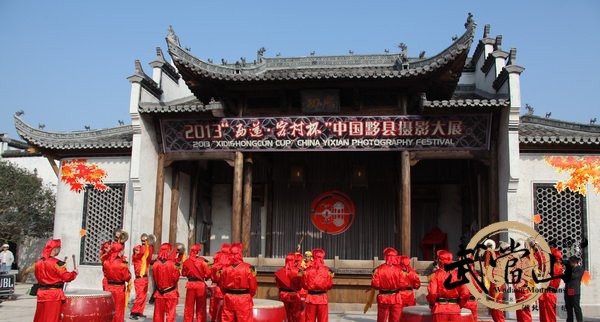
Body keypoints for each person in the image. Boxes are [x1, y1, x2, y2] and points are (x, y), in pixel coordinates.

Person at [33, 239, 78, 322]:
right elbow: (66, 277)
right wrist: (74, 273)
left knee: (40, 318)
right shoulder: (57, 263)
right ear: (55, 249)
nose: (59, 250)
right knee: (52, 318)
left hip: (41, 293)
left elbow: (37, 276)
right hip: (53, 295)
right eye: (59, 248)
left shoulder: (38, 262)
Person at [426, 250, 470, 322]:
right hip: (454, 308)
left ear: (440, 261)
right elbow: (465, 293)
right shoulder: (459, 275)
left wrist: (432, 304)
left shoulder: (435, 275)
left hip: (440, 308)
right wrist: (460, 305)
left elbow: (432, 293)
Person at [219, 243, 257, 322]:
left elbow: (221, 285)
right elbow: (253, 287)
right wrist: (249, 295)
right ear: (240, 253)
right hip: (244, 299)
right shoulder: (250, 268)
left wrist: (226, 294)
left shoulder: (224, 269)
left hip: (229, 298)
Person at [371, 247, 403, 322]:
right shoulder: (399, 270)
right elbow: (403, 284)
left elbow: (375, 285)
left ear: (385, 257)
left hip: (383, 297)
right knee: (395, 319)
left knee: (382, 319)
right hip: (396, 297)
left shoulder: (378, 269)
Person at [102, 242, 131, 322]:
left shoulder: (106, 262)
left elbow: (105, 274)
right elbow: (127, 277)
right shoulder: (122, 263)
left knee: (109, 310)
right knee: (118, 311)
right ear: (120, 251)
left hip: (108, 289)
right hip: (119, 290)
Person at [302, 248, 333, 322]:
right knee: (323, 320)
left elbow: (304, 285)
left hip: (310, 298)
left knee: (309, 319)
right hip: (322, 298)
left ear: (313, 257)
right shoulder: (328, 270)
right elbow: (330, 285)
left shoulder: (307, 270)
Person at [182, 244, 212, 322]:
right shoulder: (203, 261)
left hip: (190, 284)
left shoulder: (186, 262)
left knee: (189, 306)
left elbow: (183, 274)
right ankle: (201, 320)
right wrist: (205, 277)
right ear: (198, 251)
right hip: (200, 285)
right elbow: (208, 273)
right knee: (201, 306)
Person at [153, 243, 181, 322]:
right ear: (168, 251)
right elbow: (176, 279)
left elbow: (155, 278)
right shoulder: (173, 264)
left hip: (159, 293)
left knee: (158, 315)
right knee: (170, 314)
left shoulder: (155, 264)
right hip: (171, 293)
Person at [129, 234, 154, 320]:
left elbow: (149, 256)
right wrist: (147, 245)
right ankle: (133, 313)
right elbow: (141, 252)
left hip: (145, 277)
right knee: (139, 297)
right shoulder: (137, 255)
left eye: (145, 241)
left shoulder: (145, 256)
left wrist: (150, 246)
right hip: (139, 278)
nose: (143, 243)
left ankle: (139, 311)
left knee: (143, 297)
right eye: (142, 241)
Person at [275, 253, 304, 322]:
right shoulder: (298, 271)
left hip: (283, 294)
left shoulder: (279, 272)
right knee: (295, 315)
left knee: (284, 315)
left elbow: (278, 285)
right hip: (294, 294)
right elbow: (300, 285)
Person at [539, 248, 564, 322]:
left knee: (549, 316)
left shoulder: (557, 267)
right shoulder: (554, 266)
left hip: (549, 294)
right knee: (544, 315)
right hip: (546, 293)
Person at [210, 243, 231, 322]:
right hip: (228, 290)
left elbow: (212, 277)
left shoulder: (215, 266)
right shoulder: (230, 265)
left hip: (217, 288)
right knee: (226, 312)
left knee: (215, 309)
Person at [562, 255, 584, 322]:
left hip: (574, 291)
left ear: (575, 262)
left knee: (576, 307)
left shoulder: (580, 269)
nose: (570, 264)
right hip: (568, 290)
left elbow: (574, 276)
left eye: (571, 262)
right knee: (569, 307)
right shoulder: (569, 269)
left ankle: (579, 320)